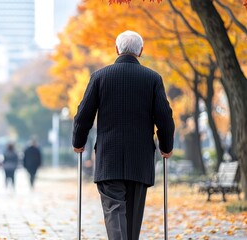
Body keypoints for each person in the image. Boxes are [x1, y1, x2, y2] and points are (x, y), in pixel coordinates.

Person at [72, 30, 175, 240]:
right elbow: (164, 117)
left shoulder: (100, 77)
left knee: (114, 210)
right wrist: (166, 146)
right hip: (140, 158)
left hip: (109, 157)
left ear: (116, 49)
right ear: (141, 51)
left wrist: (78, 142)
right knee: (133, 216)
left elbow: (83, 115)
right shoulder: (152, 78)